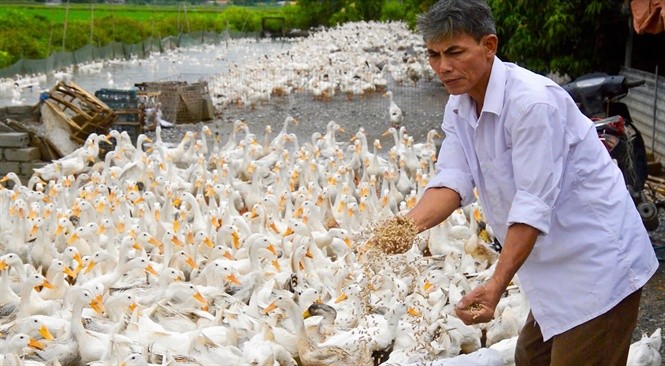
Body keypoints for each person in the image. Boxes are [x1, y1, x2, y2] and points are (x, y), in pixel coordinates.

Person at [393, 0, 660, 364]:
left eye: (454, 52)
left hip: (596, 262)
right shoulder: (459, 105)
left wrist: (495, 285)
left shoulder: (532, 104)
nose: (443, 67)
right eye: (434, 55)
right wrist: (403, 229)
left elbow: (532, 205)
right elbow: (451, 181)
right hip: (551, 268)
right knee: (530, 359)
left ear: (489, 46)